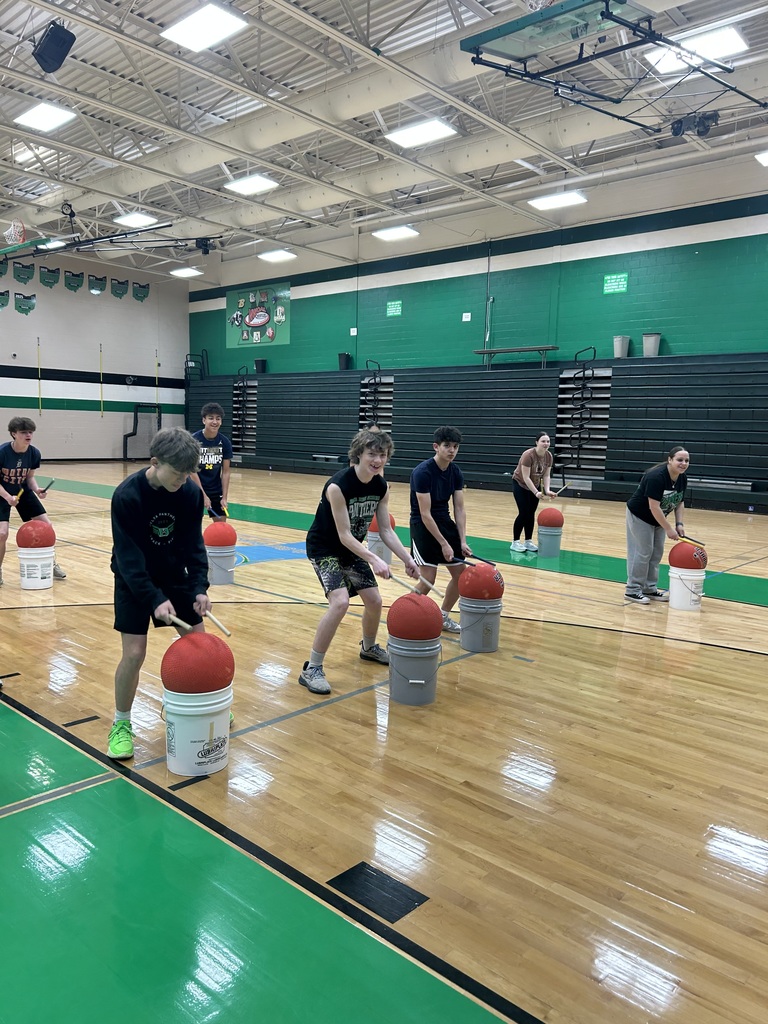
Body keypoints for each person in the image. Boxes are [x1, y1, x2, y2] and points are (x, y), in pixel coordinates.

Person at [107, 427, 213, 760]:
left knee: (199, 645)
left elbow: (194, 545)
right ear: (155, 462)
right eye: (178, 473)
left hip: (173, 575)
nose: (183, 479)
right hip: (133, 578)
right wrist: (154, 599)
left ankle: (202, 705)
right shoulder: (128, 496)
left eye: (188, 474)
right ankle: (121, 723)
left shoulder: (189, 494)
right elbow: (128, 559)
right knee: (135, 653)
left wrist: (199, 588)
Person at [300, 428, 419, 696]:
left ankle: (368, 648)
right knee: (340, 602)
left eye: (382, 455)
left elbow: (386, 530)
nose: (377, 460)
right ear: (359, 455)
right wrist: (374, 558)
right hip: (324, 549)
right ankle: (312, 668)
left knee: (375, 601)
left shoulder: (381, 486)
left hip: (352, 549)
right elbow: (343, 535)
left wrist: (407, 559)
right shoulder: (337, 486)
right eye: (371, 454)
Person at [410, 425, 472, 633]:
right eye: (447, 446)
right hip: (423, 525)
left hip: (445, 522)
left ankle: (443, 616)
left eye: (455, 446)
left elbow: (459, 508)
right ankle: (405, 614)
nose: (452, 450)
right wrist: (444, 544)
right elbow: (425, 513)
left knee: (461, 576)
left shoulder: (456, 472)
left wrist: (462, 541)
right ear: (436, 447)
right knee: (428, 579)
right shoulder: (422, 472)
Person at [0, 416, 66, 586]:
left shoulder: (34, 452)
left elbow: (29, 477)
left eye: (30, 432)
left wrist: (37, 490)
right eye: (24, 432)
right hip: (2, 493)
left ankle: (51, 564)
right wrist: (8, 497)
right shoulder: (2, 452)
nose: (28, 435)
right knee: (2, 534)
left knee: (47, 527)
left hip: (23, 491)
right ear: (14, 434)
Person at [625, 445, 690, 604]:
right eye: (679, 460)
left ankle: (649, 588)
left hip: (659, 517)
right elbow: (653, 506)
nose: (683, 463)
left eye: (686, 460)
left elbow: (680, 501)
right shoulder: (656, 477)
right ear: (670, 460)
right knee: (643, 552)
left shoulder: (682, 477)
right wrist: (668, 528)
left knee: (656, 553)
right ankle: (632, 590)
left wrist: (679, 524)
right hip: (640, 515)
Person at [511, 432, 556, 552]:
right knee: (524, 512)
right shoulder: (528, 455)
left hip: (534, 486)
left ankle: (528, 541)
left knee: (531, 513)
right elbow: (526, 477)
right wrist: (536, 492)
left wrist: (547, 490)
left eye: (548, 441)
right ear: (537, 442)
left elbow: (546, 475)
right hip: (520, 484)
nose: (546, 444)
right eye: (543, 441)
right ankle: (515, 542)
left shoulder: (549, 456)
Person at [190, 402, 233, 518]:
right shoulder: (193, 441)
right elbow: (191, 471)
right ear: (204, 420)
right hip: (194, 489)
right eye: (211, 418)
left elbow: (226, 472)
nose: (215, 422)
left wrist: (224, 497)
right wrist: (203, 495)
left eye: (218, 419)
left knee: (221, 526)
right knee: (192, 525)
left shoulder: (225, 442)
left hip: (215, 490)